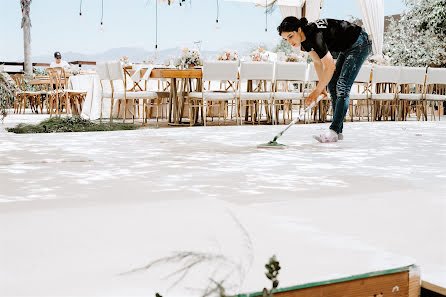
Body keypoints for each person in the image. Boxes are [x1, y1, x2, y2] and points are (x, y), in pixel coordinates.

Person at [277, 17, 372, 143]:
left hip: (360, 43)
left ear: (299, 29)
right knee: (332, 83)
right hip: (347, 47)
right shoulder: (304, 40)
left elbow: (330, 66)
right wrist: (322, 86)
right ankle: (337, 132)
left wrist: (317, 90)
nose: (290, 42)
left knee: (342, 86)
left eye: (290, 36)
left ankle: (333, 131)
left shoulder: (315, 36)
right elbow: (317, 61)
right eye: (286, 39)